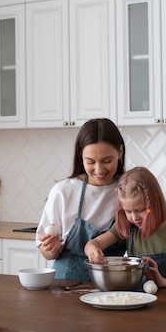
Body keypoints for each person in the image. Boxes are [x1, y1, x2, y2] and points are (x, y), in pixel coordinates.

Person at [36, 118, 127, 281]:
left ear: (120, 152)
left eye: (107, 161)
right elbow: (45, 252)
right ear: (81, 155)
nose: (99, 170)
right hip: (66, 285)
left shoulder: (129, 192)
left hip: (114, 286)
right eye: (90, 162)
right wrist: (51, 249)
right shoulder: (63, 192)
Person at [84, 167, 166, 289]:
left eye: (141, 210)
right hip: (136, 301)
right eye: (128, 211)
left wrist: (163, 282)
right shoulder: (129, 228)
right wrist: (93, 251)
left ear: (156, 201)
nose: (134, 217)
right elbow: (93, 243)